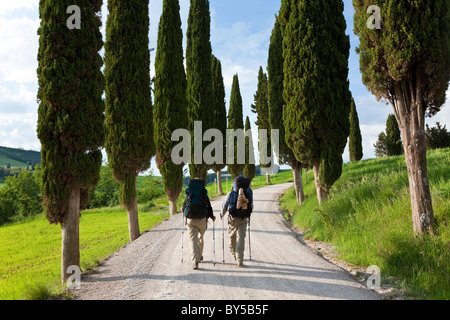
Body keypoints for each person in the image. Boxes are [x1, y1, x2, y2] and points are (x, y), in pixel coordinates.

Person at [181, 178, 216, 270]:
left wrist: (182, 210)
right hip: (202, 219)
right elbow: (208, 205)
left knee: (193, 240)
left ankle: (195, 262)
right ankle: (199, 256)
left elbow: (185, 204)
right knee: (200, 237)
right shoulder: (203, 191)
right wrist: (212, 216)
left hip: (190, 218)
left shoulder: (189, 191)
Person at [221, 176, 253, 267]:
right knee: (241, 237)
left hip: (233, 217)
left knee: (232, 237)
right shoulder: (249, 191)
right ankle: (240, 259)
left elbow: (225, 205)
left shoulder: (231, 192)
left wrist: (221, 214)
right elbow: (251, 204)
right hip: (244, 217)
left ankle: (235, 254)